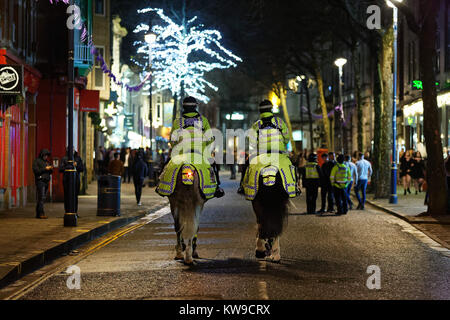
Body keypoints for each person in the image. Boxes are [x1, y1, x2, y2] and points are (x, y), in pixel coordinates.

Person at [171, 96, 224, 198]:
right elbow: (210, 139)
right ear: (195, 107)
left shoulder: (178, 122)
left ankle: (162, 185)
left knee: (167, 167)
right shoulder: (203, 121)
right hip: (200, 154)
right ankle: (217, 187)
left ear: (183, 107)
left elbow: (173, 141)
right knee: (213, 168)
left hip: (182, 155)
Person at [59, 149, 84, 215]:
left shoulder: (78, 158)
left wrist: (77, 165)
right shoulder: (64, 158)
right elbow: (60, 169)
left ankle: (75, 211)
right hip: (66, 179)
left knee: (75, 196)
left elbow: (82, 168)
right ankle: (67, 211)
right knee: (67, 196)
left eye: (72, 150)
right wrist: (69, 165)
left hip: (76, 179)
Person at [32, 149, 53, 219]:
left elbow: (50, 172)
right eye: (45, 155)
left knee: (42, 198)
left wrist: (50, 168)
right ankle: (41, 213)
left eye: (47, 155)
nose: (46, 157)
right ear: (42, 155)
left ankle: (38, 213)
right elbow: (36, 170)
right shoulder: (37, 161)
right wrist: (45, 169)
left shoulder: (47, 162)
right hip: (40, 181)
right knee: (41, 197)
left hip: (46, 181)